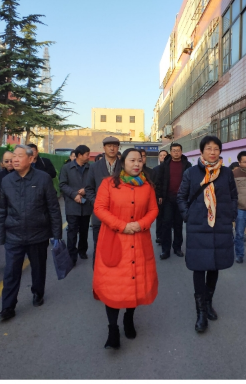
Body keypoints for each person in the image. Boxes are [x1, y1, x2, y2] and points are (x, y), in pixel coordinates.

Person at [92, 148, 159, 349]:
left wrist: (140, 224)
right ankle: (112, 328)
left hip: (139, 241)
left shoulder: (147, 186)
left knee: (134, 283)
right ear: (123, 162)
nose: (137, 164)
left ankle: (129, 319)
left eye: (140, 160)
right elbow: (99, 208)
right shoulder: (108, 184)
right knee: (113, 287)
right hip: (114, 241)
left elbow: (153, 209)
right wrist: (122, 226)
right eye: (132, 160)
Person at [0, 145, 63, 321]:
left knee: (38, 268)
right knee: (11, 272)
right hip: (14, 235)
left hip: (38, 234)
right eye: (13, 156)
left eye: (19, 156)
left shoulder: (43, 178)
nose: (15, 159)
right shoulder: (7, 181)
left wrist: (57, 235)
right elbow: (1, 209)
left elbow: (53, 208)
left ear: (31, 159)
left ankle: (38, 292)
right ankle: (7, 307)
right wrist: (0, 236)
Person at [177, 136, 237, 333]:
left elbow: (233, 196)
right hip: (198, 226)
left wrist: (230, 215)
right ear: (201, 151)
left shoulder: (227, 173)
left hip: (220, 225)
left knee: (214, 265)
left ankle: (209, 302)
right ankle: (201, 312)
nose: (212, 152)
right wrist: (188, 215)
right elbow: (181, 196)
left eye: (216, 148)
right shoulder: (191, 173)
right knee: (199, 266)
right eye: (209, 148)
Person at [86, 136, 120, 268]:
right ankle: (98, 275)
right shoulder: (94, 167)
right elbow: (89, 189)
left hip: (120, 215)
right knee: (99, 247)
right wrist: (98, 204)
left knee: (119, 248)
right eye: (109, 146)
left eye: (115, 146)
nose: (112, 148)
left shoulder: (124, 166)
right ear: (104, 148)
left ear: (118, 148)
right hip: (100, 216)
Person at [155, 143, 191, 259]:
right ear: (170, 152)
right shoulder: (164, 165)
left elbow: (190, 182)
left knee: (178, 225)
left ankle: (177, 248)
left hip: (181, 199)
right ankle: (165, 250)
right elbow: (159, 181)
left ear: (181, 152)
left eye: (178, 150)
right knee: (166, 224)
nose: (176, 152)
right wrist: (160, 195)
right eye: (174, 150)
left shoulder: (187, 165)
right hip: (167, 199)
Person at [59, 144, 93, 265]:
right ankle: (71, 256)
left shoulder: (91, 168)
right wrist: (74, 194)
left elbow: (94, 184)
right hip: (72, 205)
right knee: (72, 231)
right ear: (79, 155)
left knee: (84, 230)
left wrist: (85, 190)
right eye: (87, 154)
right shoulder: (66, 168)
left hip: (86, 205)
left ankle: (82, 250)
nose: (89, 156)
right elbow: (62, 184)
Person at [152, 149, 168, 244]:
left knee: (168, 219)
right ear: (159, 157)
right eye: (161, 155)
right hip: (159, 197)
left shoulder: (170, 168)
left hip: (169, 196)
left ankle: (166, 237)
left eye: (164, 155)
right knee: (160, 217)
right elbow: (155, 184)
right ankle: (159, 236)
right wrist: (158, 195)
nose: (163, 157)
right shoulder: (156, 169)